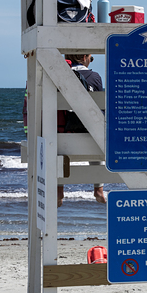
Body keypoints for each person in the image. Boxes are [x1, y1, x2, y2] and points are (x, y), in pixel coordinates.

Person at [57, 53, 106, 206]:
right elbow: (101, 108)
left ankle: (59, 191)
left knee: (59, 154)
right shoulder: (95, 77)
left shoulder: (59, 75)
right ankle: (98, 189)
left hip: (64, 132)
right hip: (89, 132)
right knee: (98, 143)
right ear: (85, 57)